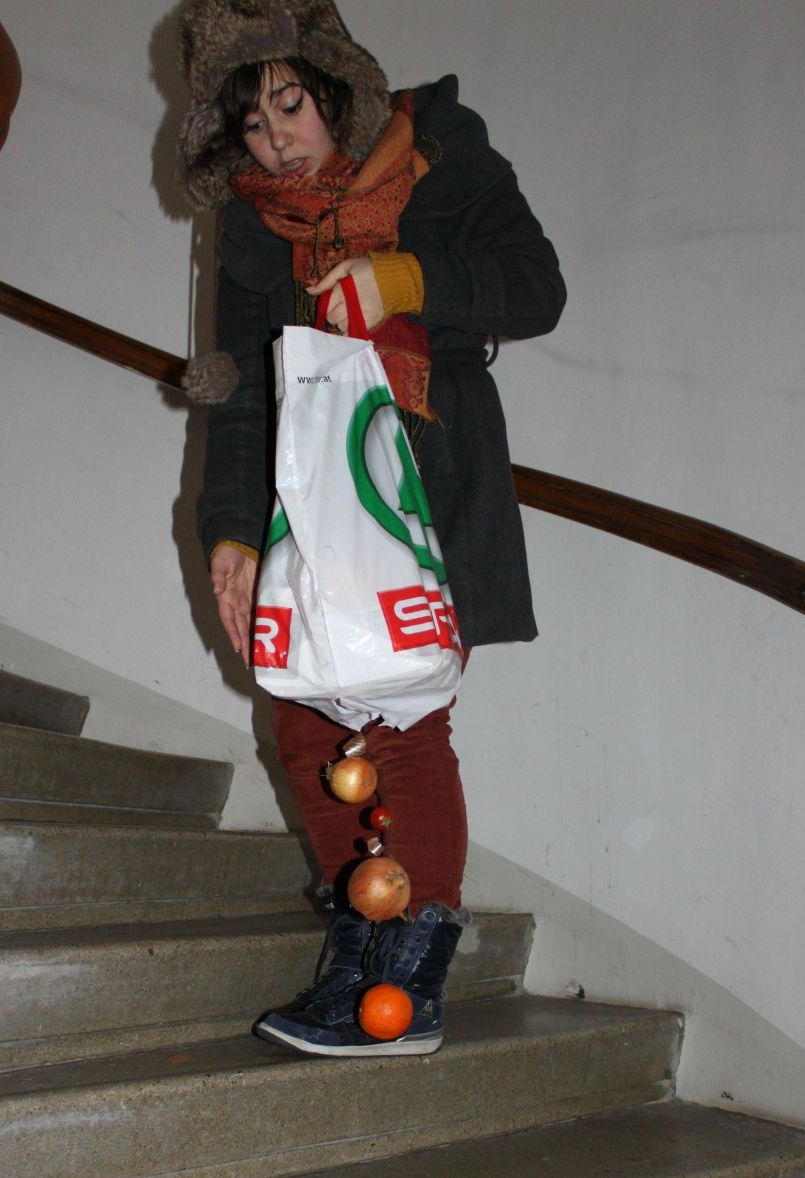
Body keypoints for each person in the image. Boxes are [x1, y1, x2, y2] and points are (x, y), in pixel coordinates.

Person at [175, 0, 565, 1058]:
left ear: (334, 87)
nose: (276, 142)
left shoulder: (437, 152)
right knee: (305, 720)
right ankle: (359, 949)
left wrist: (409, 282)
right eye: (251, 126)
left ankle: (411, 975)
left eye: (288, 106)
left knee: (400, 721)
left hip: (426, 483)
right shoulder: (253, 222)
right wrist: (229, 535)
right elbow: (241, 397)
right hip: (307, 502)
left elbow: (538, 287)